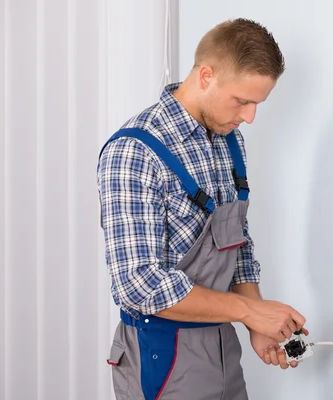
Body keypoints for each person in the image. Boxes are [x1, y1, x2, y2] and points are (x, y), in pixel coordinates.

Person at [97, 18, 308, 400]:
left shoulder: (228, 140)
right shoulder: (135, 152)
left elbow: (235, 241)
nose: (249, 117)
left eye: (257, 104)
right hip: (160, 355)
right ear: (206, 75)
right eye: (242, 101)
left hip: (222, 347)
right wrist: (247, 311)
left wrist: (256, 320)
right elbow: (138, 284)